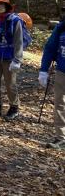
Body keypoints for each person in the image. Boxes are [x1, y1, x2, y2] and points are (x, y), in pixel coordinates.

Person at [38, 12, 65, 150]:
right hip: (62, 71)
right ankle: (61, 138)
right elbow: (49, 48)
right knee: (60, 104)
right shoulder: (61, 28)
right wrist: (43, 70)